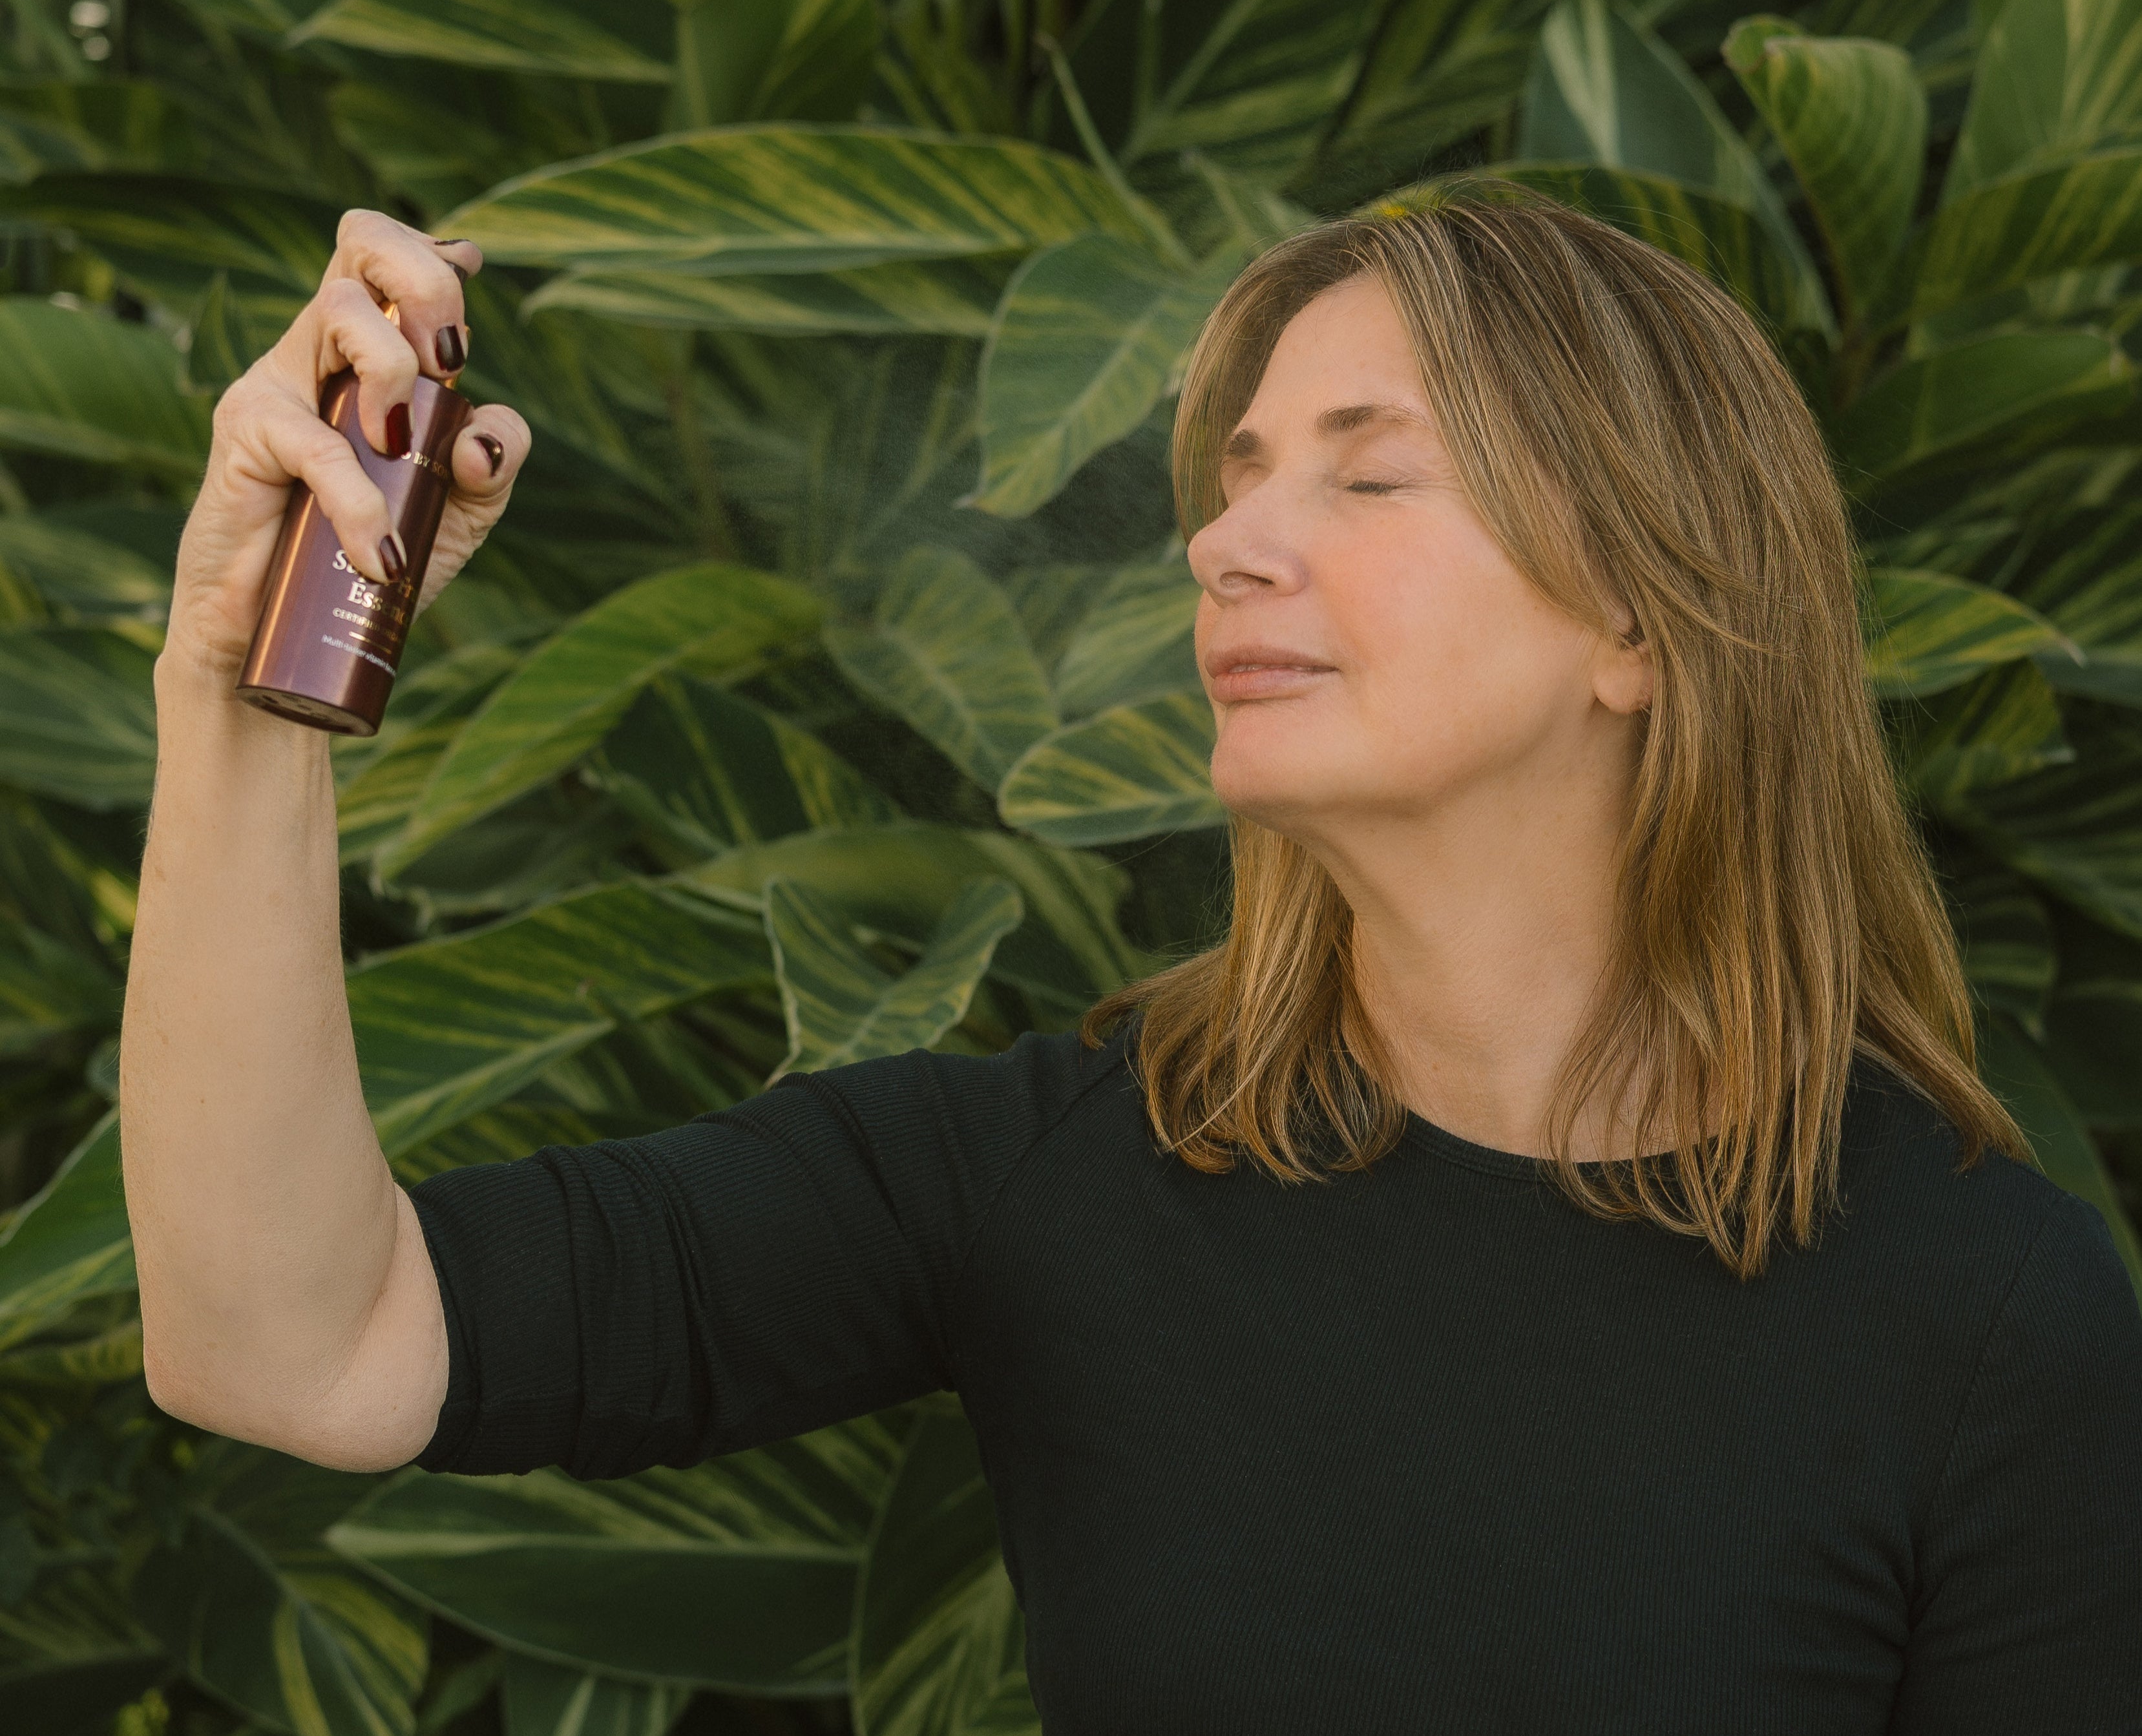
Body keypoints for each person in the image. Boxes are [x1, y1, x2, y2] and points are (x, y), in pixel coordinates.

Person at [123, 193, 2142, 1733]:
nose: (1229, 541)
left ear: (1639, 616)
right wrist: (234, 696)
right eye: (1241, 474)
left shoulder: (1982, 1320)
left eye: (1364, 470)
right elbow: (290, 1337)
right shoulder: (1070, 1166)